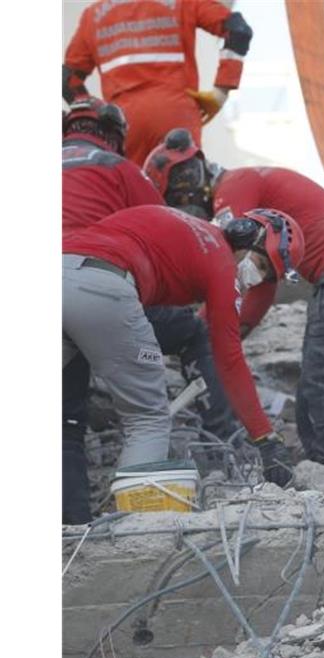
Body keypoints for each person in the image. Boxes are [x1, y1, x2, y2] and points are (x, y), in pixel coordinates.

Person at [143, 130, 324, 474]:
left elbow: (225, 258)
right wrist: (219, 328)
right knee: (322, 379)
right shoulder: (254, 191)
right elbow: (261, 286)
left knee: (322, 380)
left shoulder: (236, 185)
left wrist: (200, 328)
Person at [62, 205, 301, 524]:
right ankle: (130, 537)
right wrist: (264, 439)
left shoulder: (180, 223)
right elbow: (228, 358)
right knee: (147, 417)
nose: (254, 278)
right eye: (260, 265)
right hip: (105, 289)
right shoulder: (220, 260)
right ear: (246, 236)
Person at [61, 99, 234, 524]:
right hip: (99, 284)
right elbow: (157, 222)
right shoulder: (115, 167)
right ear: (114, 134)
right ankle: (224, 440)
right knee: (152, 405)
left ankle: (68, 527)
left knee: (62, 420)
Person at [63, 0, 252, 166]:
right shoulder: (182, 3)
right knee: (183, 193)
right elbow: (239, 31)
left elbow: (66, 78)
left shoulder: (93, 15)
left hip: (124, 122)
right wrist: (221, 92)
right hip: (175, 115)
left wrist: (94, 116)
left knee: (131, 196)